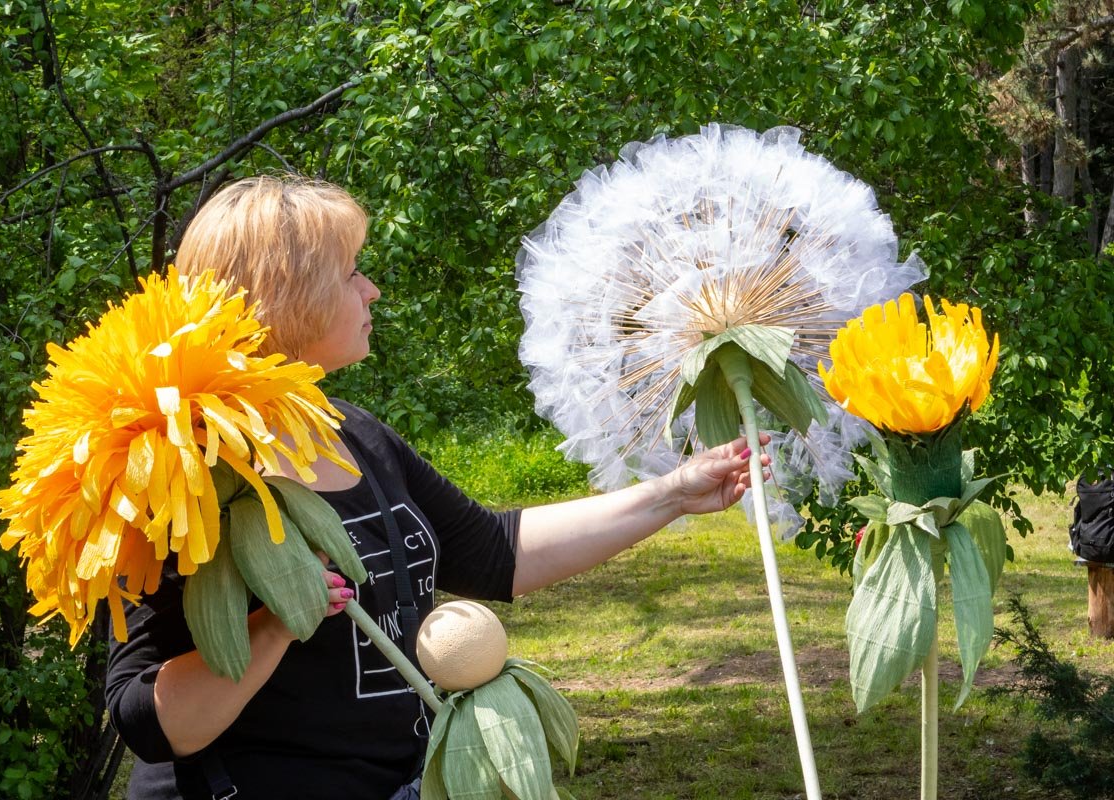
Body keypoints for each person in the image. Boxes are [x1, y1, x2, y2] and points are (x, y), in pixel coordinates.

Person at [104, 175, 768, 799]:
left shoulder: (353, 433)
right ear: (288, 298)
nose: (373, 292)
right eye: (351, 273)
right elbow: (149, 719)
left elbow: (491, 552)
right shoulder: (176, 471)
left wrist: (673, 494)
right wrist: (277, 624)